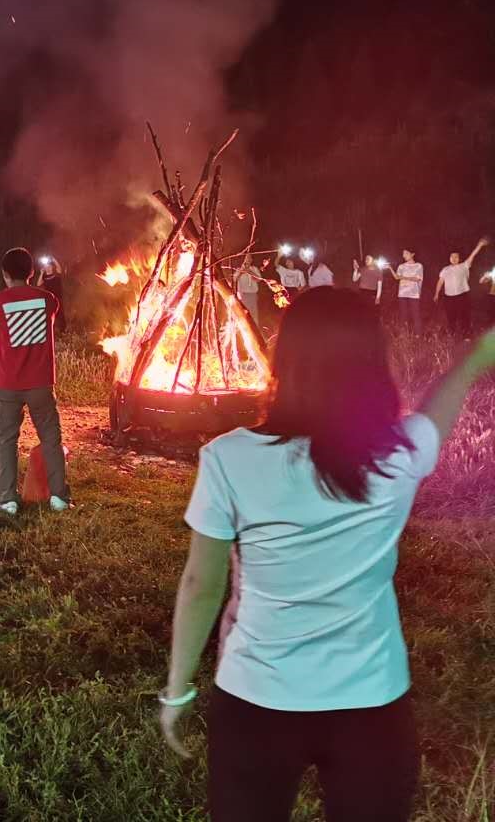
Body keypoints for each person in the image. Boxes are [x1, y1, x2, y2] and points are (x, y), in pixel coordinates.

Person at [158, 287, 495, 821]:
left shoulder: (229, 457)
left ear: (284, 359)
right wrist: (479, 354)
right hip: (371, 704)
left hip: (257, 700)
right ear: (371, 364)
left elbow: (202, 583)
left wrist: (177, 691)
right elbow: (439, 409)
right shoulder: (400, 453)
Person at [0, 247, 71, 514]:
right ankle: (59, 498)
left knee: (6, 440)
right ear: (32, 272)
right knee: (50, 440)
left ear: (4, 273)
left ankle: (8, 499)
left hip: (9, 384)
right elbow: (53, 307)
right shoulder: (47, 300)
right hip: (41, 384)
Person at [434, 237, 489, 338]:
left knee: (465, 316)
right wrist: (436, 294)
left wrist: (479, 245)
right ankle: (452, 333)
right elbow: (440, 282)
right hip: (449, 297)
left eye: (456, 257)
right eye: (452, 257)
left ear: (459, 258)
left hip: (462, 295)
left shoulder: (464, 266)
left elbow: (473, 254)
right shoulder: (445, 269)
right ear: (449, 258)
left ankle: (466, 334)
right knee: (451, 316)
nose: (454, 258)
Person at [391, 248, 424, 335]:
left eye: (406, 253)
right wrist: (390, 268)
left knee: (415, 314)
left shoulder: (418, 265)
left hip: (414, 294)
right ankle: (404, 334)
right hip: (402, 293)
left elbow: (417, 278)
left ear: (412, 254)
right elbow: (397, 277)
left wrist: (404, 277)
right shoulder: (401, 266)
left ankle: (418, 334)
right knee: (403, 314)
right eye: (403, 254)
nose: (403, 255)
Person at [36, 256, 67, 332]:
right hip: (49, 299)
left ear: (52, 267)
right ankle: (51, 330)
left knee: (60, 314)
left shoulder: (56, 275)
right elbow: (38, 284)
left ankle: (63, 330)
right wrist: (41, 273)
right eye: (46, 267)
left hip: (58, 297)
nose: (48, 268)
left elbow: (59, 269)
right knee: (50, 315)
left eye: (49, 266)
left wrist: (54, 259)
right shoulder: (44, 277)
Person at [234, 256, 262, 328]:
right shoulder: (239, 269)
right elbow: (235, 279)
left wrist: (249, 271)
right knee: (244, 314)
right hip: (243, 295)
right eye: (246, 258)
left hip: (253, 295)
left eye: (250, 258)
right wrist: (242, 271)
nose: (248, 260)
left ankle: (256, 331)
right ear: (244, 259)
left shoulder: (254, 269)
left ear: (251, 260)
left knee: (254, 315)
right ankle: (244, 330)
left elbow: (259, 279)